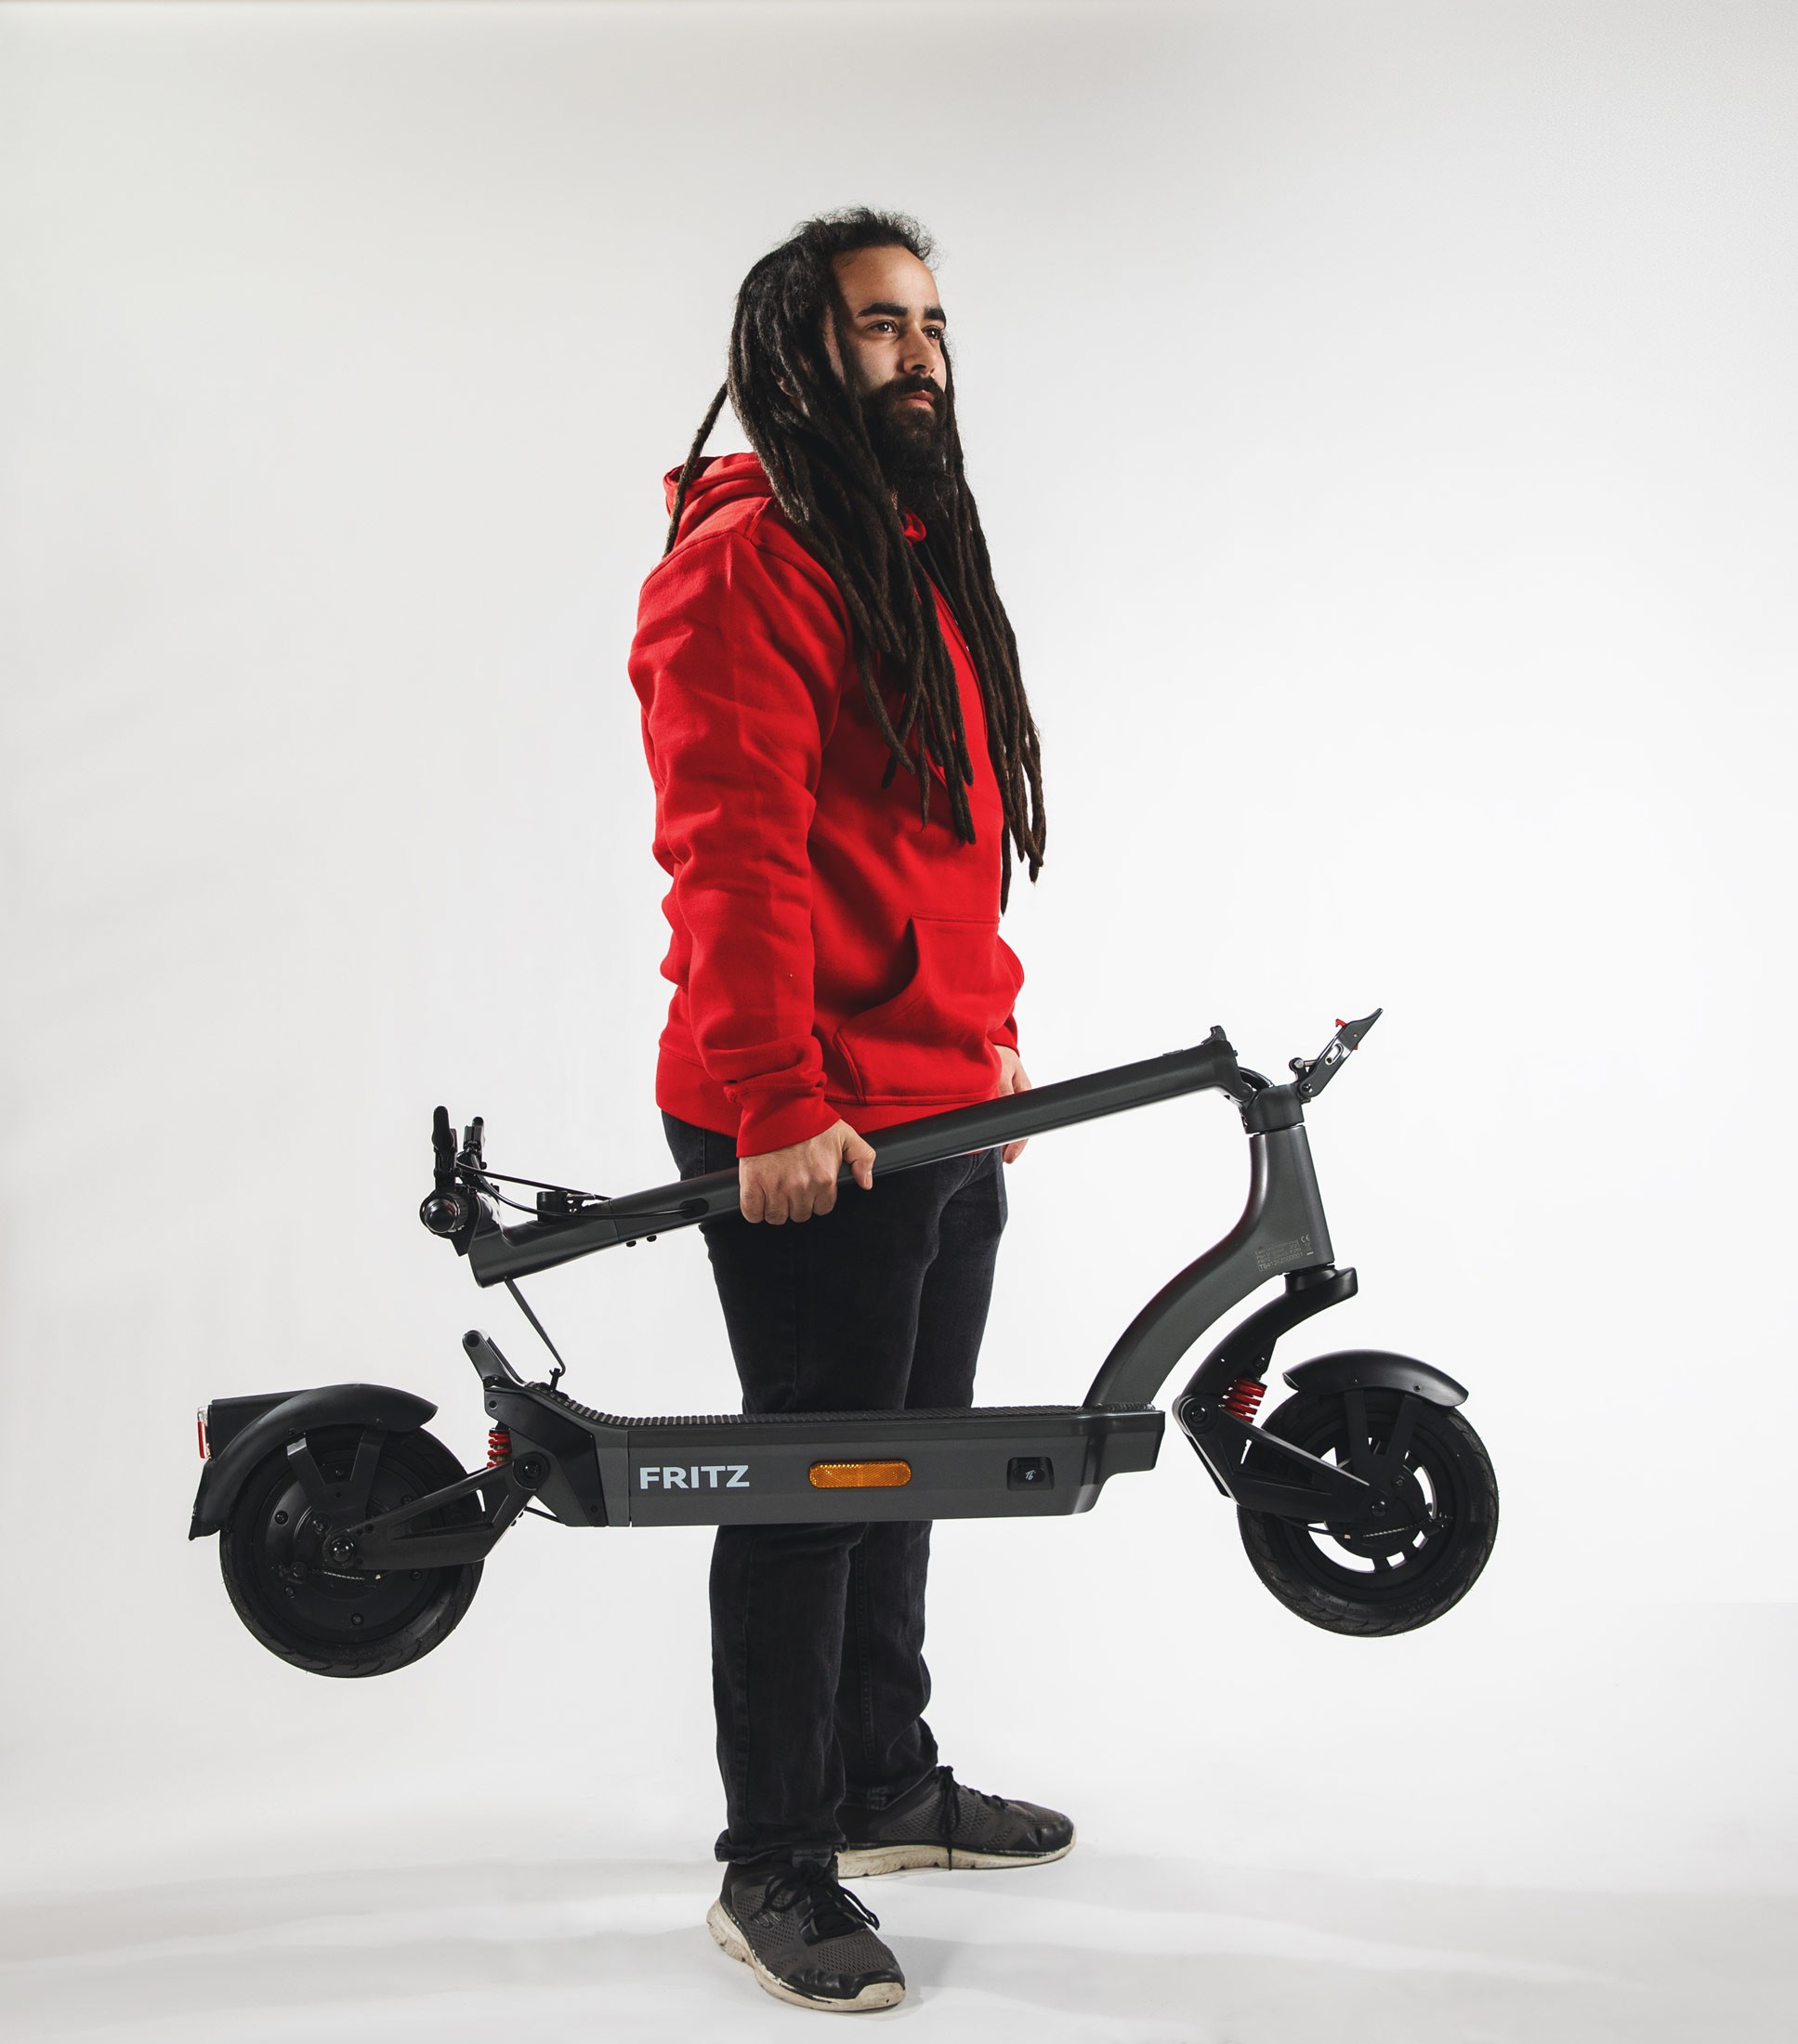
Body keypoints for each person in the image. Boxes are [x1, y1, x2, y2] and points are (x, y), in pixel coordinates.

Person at [628, 207, 1063, 2015]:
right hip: (810, 1114)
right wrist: (774, 1101)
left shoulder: (901, 544)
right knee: (813, 1479)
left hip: (932, 1097)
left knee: (916, 1459)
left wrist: (988, 1035)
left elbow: (934, 838)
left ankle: (882, 1778)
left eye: (932, 323)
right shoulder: (746, 563)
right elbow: (731, 856)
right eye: (881, 324)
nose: (919, 354)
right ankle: (774, 1862)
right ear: (793, 355)